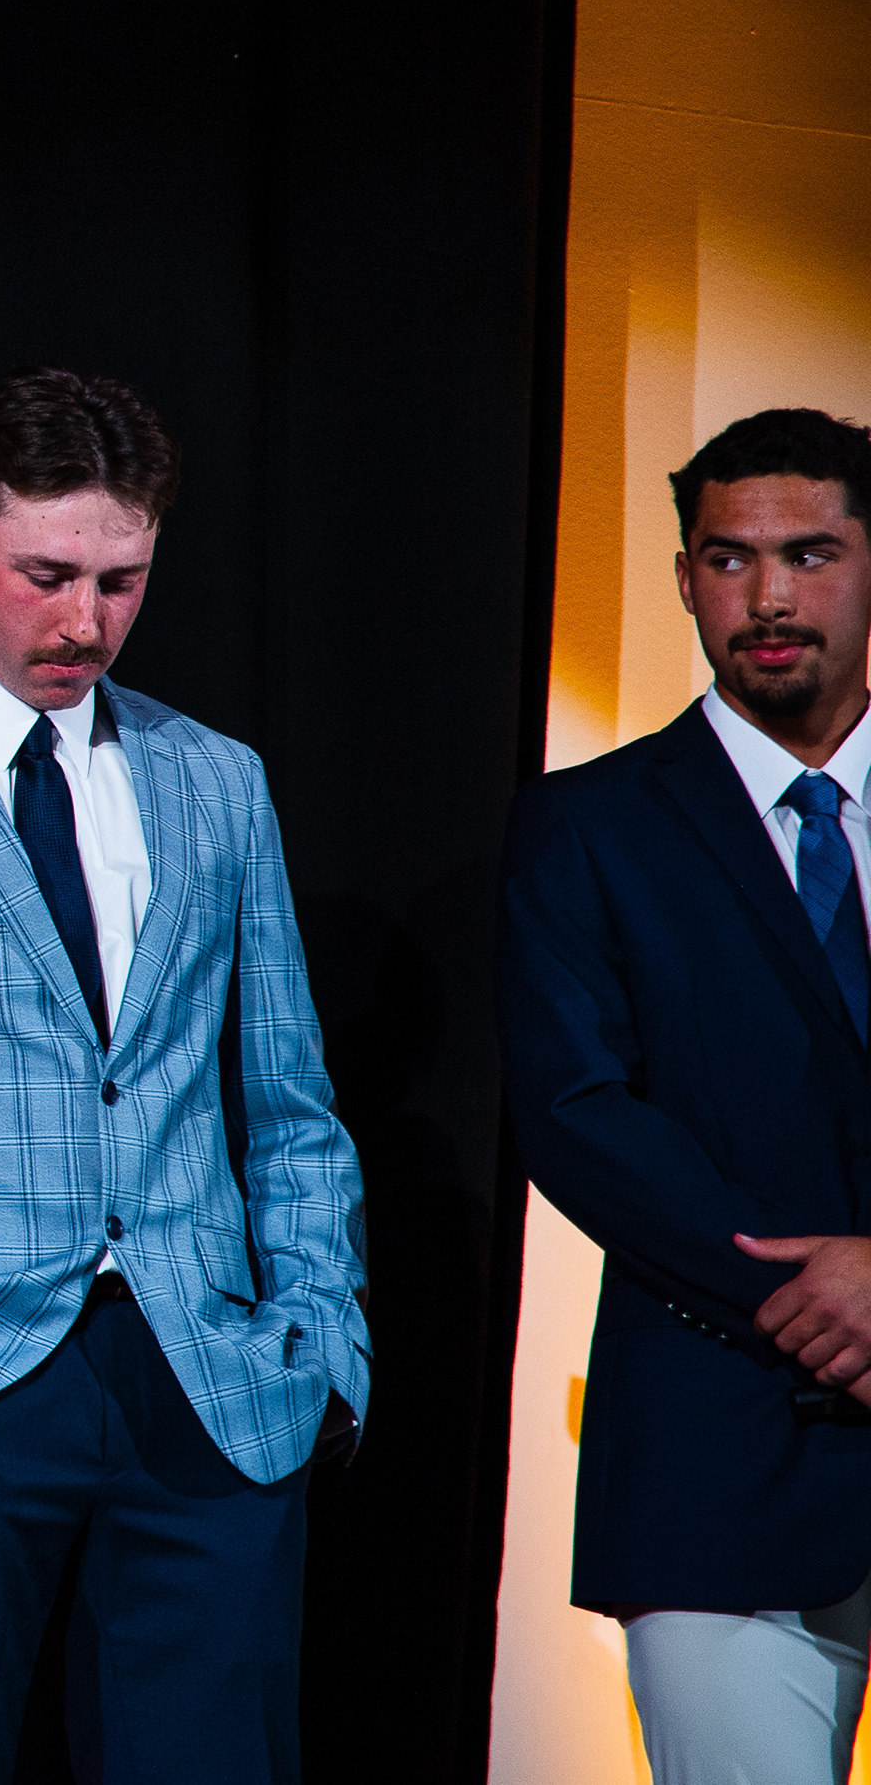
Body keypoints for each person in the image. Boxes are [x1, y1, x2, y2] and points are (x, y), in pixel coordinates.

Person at [0, 369, 363, 1785]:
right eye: (46, 576)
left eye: (121, 581)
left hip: (206, 1377)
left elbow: (288, 1097)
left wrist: (320, 1346)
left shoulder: (210, 776)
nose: (84, 622)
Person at [501, 407, 871, 1783]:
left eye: (810, 554)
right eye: (728, 559)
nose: (767, 597)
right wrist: (818, 1291)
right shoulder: (588, 824)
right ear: (683, 579)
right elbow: (578, 1115)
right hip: (717, 1452)